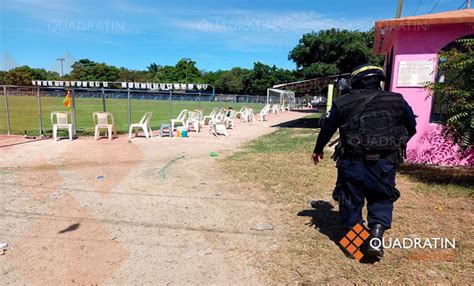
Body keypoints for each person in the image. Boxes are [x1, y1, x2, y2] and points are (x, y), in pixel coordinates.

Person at [311, 64, 417, 258]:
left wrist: (318, 149)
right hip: (385, 163)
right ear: (379, 81)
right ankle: (375, 237)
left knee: (351, 200)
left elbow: (327, 128)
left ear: (356, 81)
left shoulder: (343, 102)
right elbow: (411, 127)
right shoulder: (397, 100)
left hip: (353, 162)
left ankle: (356, 247)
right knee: (381, 198)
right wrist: (392, 145)